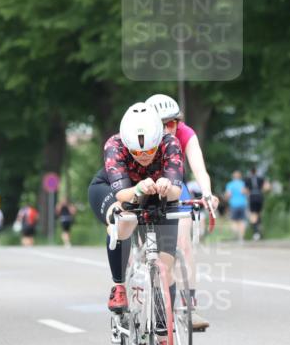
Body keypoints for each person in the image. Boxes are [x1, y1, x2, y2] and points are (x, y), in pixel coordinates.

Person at [86, 102, 183, 319]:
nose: (144, 156)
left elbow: (176, 191)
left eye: (150, 150)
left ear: (158, 140)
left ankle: (165, 329)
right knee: (125, 219)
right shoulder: (114, 144)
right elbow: (122, 195)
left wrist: (167, 186)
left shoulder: (171, 143)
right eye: (137, 152)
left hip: (158, 194)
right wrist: (139, 187)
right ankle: (119, 286)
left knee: (166, 267)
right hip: (117, 191)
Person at [146, 93, 217, 331]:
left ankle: (188, 306)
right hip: (145, 187)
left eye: (172, 123)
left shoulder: (185, 133)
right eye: (161, 124)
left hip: (175, 188)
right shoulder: (141, 133)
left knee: (183, 243)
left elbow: (199, 168)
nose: (168, 129)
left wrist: (207, 193)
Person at [245, 167, 270, 241]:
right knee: (259, 214)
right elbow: (267, 187)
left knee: (253, 214)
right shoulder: (261, 178)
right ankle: (259, 232)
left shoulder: (247, 179)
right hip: (259, 196)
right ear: (256, 172)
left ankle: (256, 233)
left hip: (252, 197)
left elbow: (245, 190)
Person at [224, 171, 249, 242]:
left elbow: (228, 195)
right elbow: (246, 193)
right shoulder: (243, 184)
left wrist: (226, 199)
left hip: (233, 205)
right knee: (242, 221)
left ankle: (236, 235)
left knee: (233, 221)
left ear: (233, 177)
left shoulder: (230, 185)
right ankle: (241, 238)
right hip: (243, 204)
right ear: (240, 177)